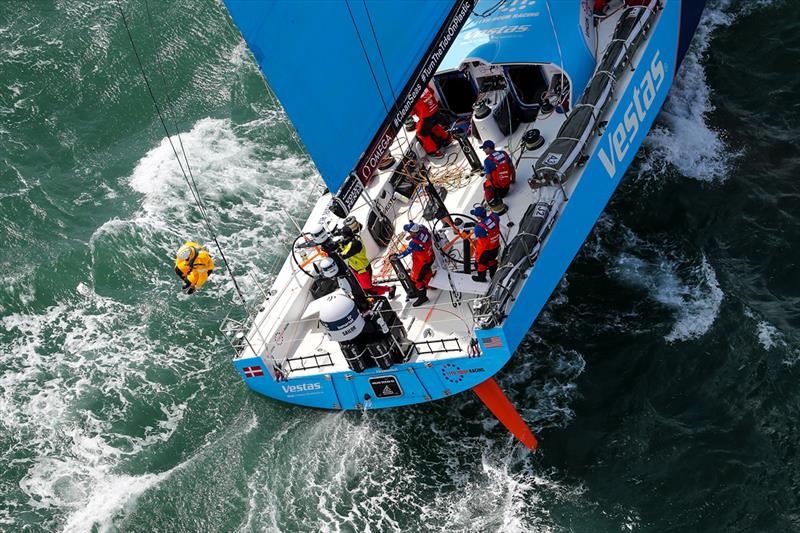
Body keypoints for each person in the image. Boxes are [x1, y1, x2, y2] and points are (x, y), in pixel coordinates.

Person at [338, 226, 396, 299]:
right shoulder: (354, 238)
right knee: (361, 287)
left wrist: (338, 247)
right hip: (355, 268)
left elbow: (343, 255)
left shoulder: (354, 244)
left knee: (369, 289)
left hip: (362, 270)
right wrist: (340, 244)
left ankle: (390, 289)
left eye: (343, 236)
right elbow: (346, 248)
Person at [393, 222, 435, 307]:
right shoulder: (423, 229)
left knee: (416, 279)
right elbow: (421, 234)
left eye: (409, 232)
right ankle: (431, 285)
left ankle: (423, 297)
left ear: (413, 232)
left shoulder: (414, 244)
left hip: (422, 262)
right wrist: (411, 236)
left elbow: (405, 253)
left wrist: (396, 257)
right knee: (427, 273)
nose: (409, 233)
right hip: (430, 257)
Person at [412, 85, 451, 158]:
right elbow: (432, 91)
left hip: (427, 117)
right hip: (436, 111)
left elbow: (411, 112)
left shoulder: (409, 96)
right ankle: (447, 139)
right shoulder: (422, 83)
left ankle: (434, 151)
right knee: (434, 126)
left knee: (420, 133)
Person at [480, 139, 515, 209]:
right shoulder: (504, 153)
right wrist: (513, 180)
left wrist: (486, 173)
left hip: (499, 192)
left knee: (485, 184)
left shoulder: (487, 161)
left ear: (488, 148)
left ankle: (489, 203)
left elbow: (489, 177)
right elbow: (512, 167)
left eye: (484, 148)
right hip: (507, 187)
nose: (483, 150)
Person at [469, 206, 501, 282]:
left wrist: (479, 224)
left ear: (479, 217)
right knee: (491, 260)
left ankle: (481, 278)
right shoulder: (495, 217)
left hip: (485, 250)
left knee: (481, 263)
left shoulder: (478, 228)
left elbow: (478, 235)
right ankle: (493, 275)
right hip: (496, 246)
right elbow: (494, 215)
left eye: (476, 216)